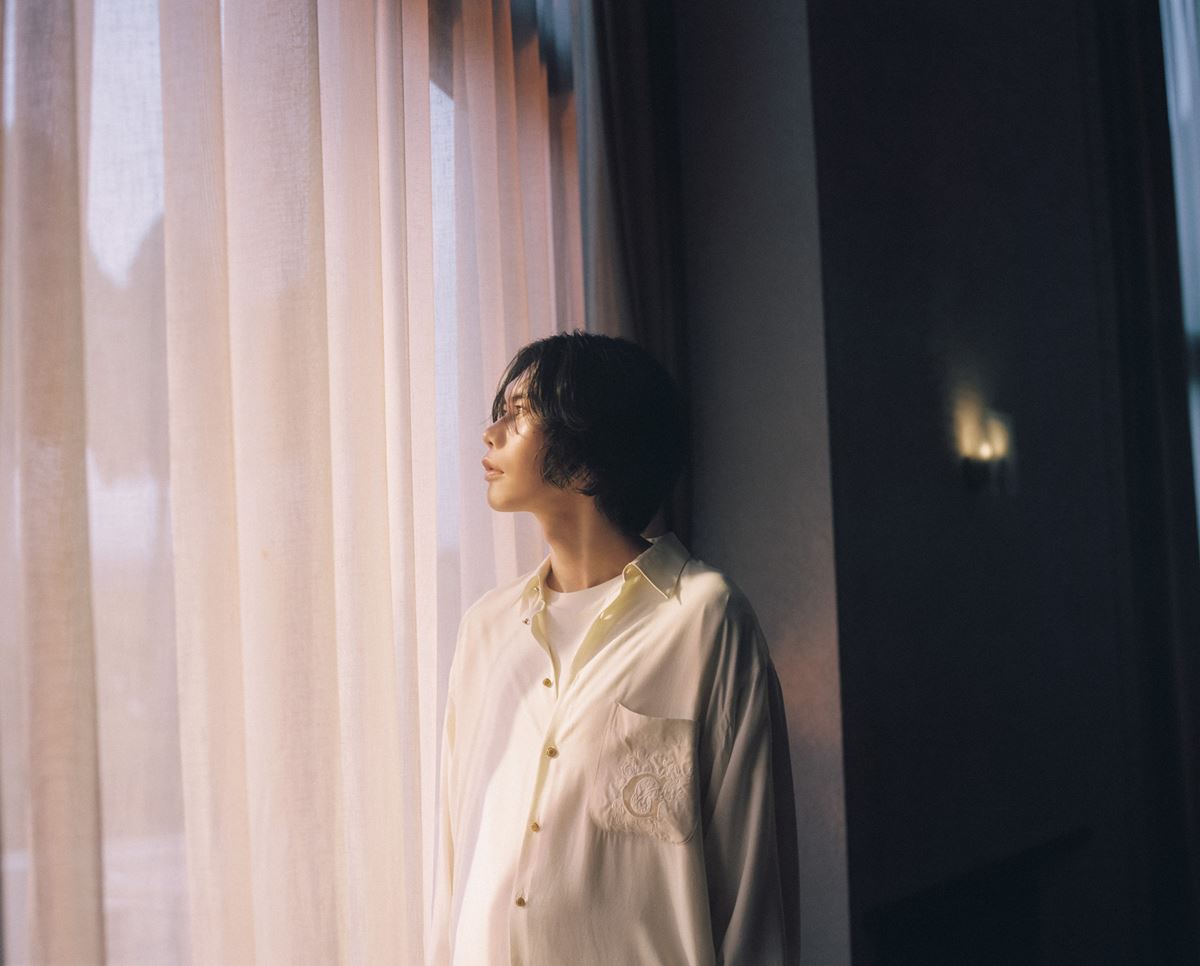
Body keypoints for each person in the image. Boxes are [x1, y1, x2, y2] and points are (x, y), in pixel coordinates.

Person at [429, 331, 800, 965]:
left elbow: (753, 892)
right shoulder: (487, 629)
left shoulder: (705, 620)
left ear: (589, 449)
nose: (490, 435)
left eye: (519, 413)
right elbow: (453, 858)